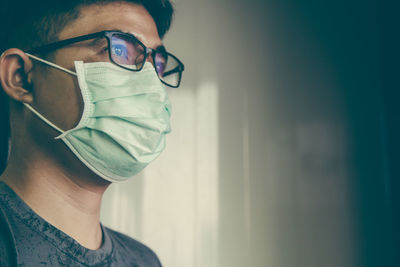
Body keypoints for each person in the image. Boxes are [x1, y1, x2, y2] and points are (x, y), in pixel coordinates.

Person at [0, 0, 184, 266]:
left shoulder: (143, 261)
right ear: (21, 75)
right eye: (120, 49)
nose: (149, 81)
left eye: (157, 62)